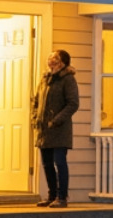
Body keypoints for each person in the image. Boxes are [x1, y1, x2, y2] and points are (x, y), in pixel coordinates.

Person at [33, 50, 79, 207]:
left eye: (55, 59)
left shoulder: (68, 79)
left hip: (59, 129)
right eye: (50, 58)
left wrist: (56, 120)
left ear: (63, 63)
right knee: (46, 164)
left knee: (59, 162)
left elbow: (73, 104)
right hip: (43, 129)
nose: (51, 61)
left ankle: (62, 197)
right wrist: (35, 118)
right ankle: (51, 196)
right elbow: (36, 100)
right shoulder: (45, 79)